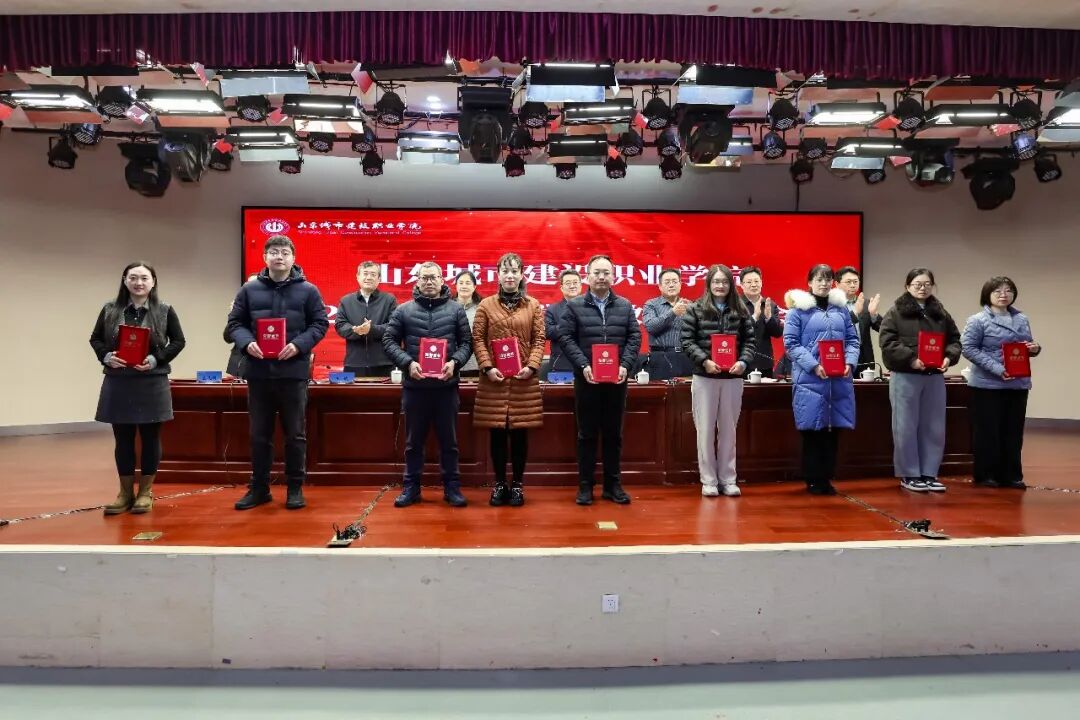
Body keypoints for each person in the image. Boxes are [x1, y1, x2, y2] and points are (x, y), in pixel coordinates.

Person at [226, 235, 329, 511]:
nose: (279, 256)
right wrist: (247, 342)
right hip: (259, 373)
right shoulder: (249, 290)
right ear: (265, 257)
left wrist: (298, 345)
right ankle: (259, 488)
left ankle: (295, 487)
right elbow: (235, 323)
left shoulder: (309, 290)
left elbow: (320, 324)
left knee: (295, 434)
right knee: (259, 435)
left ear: (293, 258)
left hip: (293, 373)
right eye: (273, 252)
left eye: (284, 252)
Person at [90, 261, 186, 514]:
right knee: (122, 439)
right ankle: (124, 493)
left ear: (153, 282)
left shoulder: (164, 310)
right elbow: (95, 338)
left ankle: (145, 492)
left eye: (144, 278)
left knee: (150, 438)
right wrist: (106, 356)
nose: (138, 283)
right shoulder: (110, 309)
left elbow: (178, 341)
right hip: (118, 381)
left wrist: (156, 359)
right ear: (124, 281)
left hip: (152, 381)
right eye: (133, 277)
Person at [383, 261, 473, 507]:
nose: (429, 282)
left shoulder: (456, 310)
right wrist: (407, 363)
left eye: (433, 277)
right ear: (418, 281)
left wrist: (455, 362)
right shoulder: (403, 310)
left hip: (446, 388)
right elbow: (389, 341)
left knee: (449, 442)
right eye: (424, 278)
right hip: (415, 388)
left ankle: (452, 488)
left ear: (442, 280)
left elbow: (467, 343)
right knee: (413, 443)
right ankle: (411, 488)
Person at [556, 254, 642, 505]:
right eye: (597, 272)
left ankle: (612, 485)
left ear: (613, 276)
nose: (602, 277)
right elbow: (565, 337)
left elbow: (634, 337)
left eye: (606, 273)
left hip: (617, 380)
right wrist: (583, 365)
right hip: (587, 379)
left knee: (614, 434)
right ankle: (585, 486)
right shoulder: (574, 306)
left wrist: (625, 365)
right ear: (588, 276)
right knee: (587, 434)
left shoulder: (625, 305)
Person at [471, 253, 546, 506]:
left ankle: (518, 485)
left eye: (514, 271)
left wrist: (532, 366)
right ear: (498, 275)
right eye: (505, 271)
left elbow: (539, 340)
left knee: (520, 434)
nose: (510, 275)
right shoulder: (486, 305)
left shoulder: (533, 305)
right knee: (497, 434)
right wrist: (487, 367)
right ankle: (500, 483)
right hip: (494, 380)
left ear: (522, 274)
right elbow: (477, 339)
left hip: (524, 380)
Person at [878, 269, 961, 493]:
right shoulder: (895, 312)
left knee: (934, 426)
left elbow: (955, 340)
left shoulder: (940, 312)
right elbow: (887, 342)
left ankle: (929, 473)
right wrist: (911, 360)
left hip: (934, 376)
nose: (922, 288)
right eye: (917, 284)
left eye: (927, 284)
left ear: (933, 286)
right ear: (907, 286)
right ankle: (910, 474)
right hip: (905, 376)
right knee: (905, 427)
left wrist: (948, 357)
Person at [782, 264, 860, 495]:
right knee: (813, 430)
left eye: (828, 279)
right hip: (810, 379)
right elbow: (791, 344)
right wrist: (814, 365)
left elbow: (853, 341)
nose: (824, 284)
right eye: (819, 279)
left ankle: (826, 477)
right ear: (810, 283)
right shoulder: (797, 311)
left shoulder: (841, 310)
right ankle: (813, 479)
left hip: (838, 379)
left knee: (833, 429)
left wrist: (850, 363)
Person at [680, 264, 755, 497]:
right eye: (716, 281)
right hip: (705, 377)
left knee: (729, 430)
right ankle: (709, 480)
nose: (720, 286)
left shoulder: (741, 310)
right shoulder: (695, 309)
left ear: (730, 285)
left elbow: (750, 342)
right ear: (709, 284)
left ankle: (728, 479)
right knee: (704, 429)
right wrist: (704, 361)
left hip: (733, 377)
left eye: (724, 282)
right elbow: (687, 340)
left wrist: (743, 362)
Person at [962, 276, 1041, 490]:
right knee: (988, 431)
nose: (1003, 295)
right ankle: (986, 474)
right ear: (987, 295)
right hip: (988, 384)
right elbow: (968, 348)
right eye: (997, 291)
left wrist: (1034, 348)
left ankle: (1011, 475)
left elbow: (1026, 345)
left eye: (1008, 290)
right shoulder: (977, 320)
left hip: (1017, 382)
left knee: (1013, 431)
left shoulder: (1021, 318)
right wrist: (997, 368)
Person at [335, 261, 398, 377]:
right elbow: (340, 325)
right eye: (365, 273)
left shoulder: (389, 300)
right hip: (354, 363)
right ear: (358, 277)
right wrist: (355, 330)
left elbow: (394, 327)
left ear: (379, 279)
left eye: (373, 274)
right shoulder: (346, 301)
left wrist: (371, 329)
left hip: (384, 363)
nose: (369, 277)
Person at [642, 268, 694, 380]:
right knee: (660, 390)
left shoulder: (690, 305)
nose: (671, 285)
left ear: (680, 284)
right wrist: (673, 312)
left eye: (674, 282)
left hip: (685, 357)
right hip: (660, 358)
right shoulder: (651, 304)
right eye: (667, 282)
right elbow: (651, 327)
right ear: (660, 286)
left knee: (685, 390)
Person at [738, 266, 783, 378]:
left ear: (761, 283)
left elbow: (777, 333)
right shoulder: (735, 305)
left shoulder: (770, 304)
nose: (753, 285)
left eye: (756, 281)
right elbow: (735, 332)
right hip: (741, 362)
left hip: (765, 363)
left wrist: (769, 318)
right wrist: (754, 317)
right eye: (749, 282)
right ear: (742, 285)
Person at [836, 266, 882, 375]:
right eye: (848, 282)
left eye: (855, 281)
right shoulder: (832, 306)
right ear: (837, 284)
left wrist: (874, 315)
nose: (853, 285)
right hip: (841, 354)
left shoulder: (865, 303)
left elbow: (883, 328)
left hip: (864, 356)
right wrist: (854, 313)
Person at [540, 269, 582, 380]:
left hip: (587, 366)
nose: (572, 286)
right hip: (561, 366)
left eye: (575, 282)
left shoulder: (590, 308)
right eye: (568, 283)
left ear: (581, 285)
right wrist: (569, 326)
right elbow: (547, 332)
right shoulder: (553, 309)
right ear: (562, 288)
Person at [225, 274, 259, 379]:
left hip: (259, 366)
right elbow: (228, 338)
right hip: (237, 366)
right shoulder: (239, 307)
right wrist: (233, 315)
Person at [454, 270, 483, 377]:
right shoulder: (447, 308)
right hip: (452, 364)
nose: (464, 286)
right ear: (456, 286)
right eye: (461, 283)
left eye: (468, 283)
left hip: (477, 364)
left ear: (474, 287)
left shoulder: (482, 308)